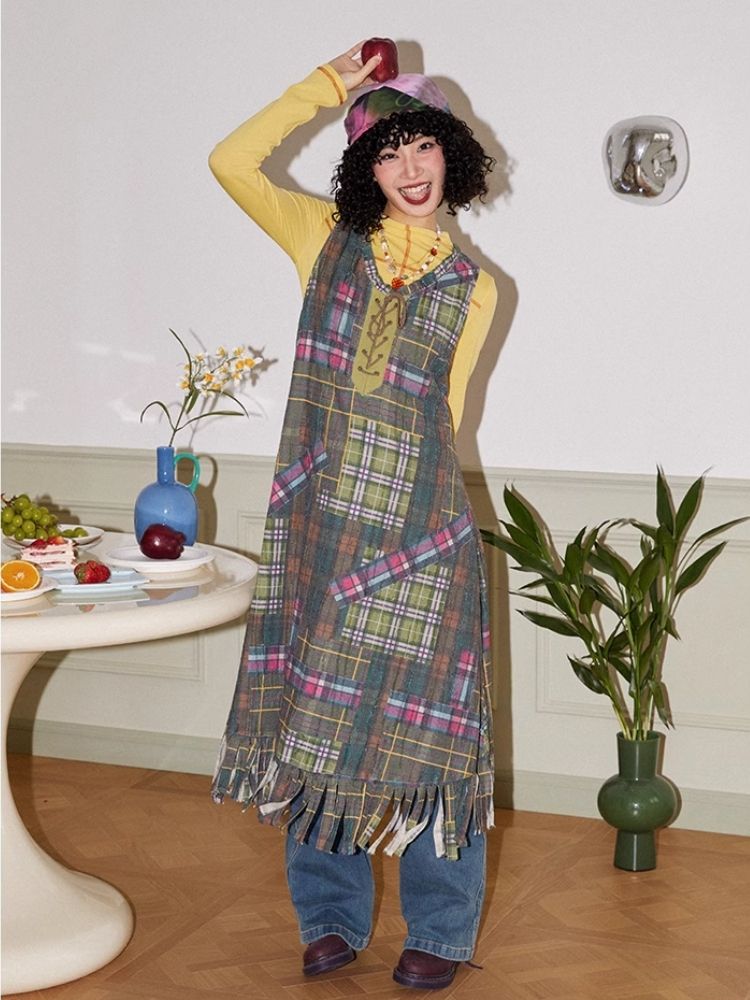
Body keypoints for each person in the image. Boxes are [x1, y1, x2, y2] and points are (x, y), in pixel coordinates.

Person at [210, 42, 498, 991]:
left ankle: (441, 930)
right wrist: (329, 85)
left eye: (425, 147)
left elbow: (445, 416)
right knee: (316, 724)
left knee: (436, 735)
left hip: (422, 536)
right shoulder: (320, 238)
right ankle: (329, 918)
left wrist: (415, 531)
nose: (410, 169)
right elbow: (230, 161)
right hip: (324, 532)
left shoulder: (477, 286)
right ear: (365, 169)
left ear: (452, 155)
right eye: (388, 152)